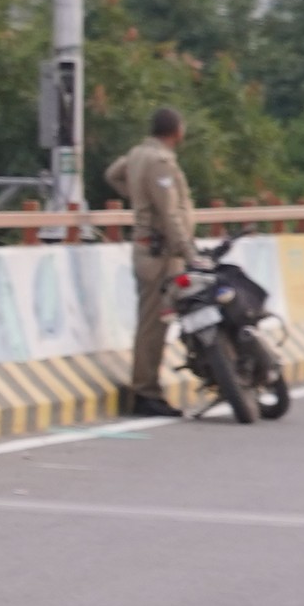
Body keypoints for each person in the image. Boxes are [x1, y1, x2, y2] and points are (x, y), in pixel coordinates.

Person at [109, 105, 198, 417]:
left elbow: (113, 174)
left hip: (149, 249)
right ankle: (146, 391)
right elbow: (169, 214)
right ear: (177, 131)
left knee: (153, 323)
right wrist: (189, 253)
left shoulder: (137, 154)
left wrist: (138, 199)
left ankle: (147, 389)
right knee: (154, 326)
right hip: (160, 254)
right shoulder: (160, 161)